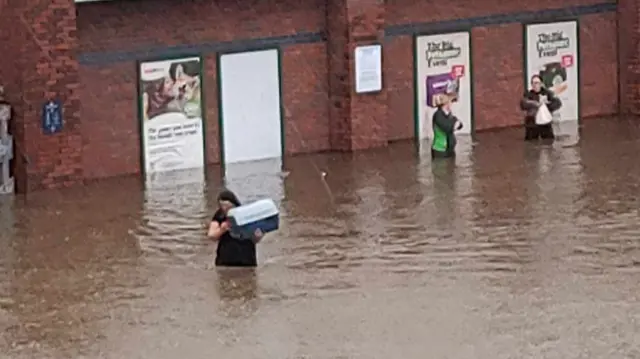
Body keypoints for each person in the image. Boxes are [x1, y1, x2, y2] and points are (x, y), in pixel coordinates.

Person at [207, 189, 264, 267]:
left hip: (247, 261)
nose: (225, 209)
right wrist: (222, 230)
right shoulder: (219, 215)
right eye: (222, 206)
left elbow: (256, 238)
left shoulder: (246, 214)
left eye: (227, 207)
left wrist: (258, 233)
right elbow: (211, 236)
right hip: (225, 261)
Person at [520, 74, 562, 141]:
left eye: (536, 83)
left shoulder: (548, 93)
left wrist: (546, 105)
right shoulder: (528, 94)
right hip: (532, 124)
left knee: (548, 142)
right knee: (531, 144)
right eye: (532, 83)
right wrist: (536, 104)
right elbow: (523, 104)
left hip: (545, 123)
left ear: (541, 83)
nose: (534, 85)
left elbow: (558, 103)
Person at [431, 93, 463, 158]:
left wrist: (455, 125)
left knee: (451, 167)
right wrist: (454, 125)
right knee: (441, 167)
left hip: (450, 149)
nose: (451, 104)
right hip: (440, 150)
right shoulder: (438, 115)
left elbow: (460, 124)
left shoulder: (449, 114)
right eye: (450, 102)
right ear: (446, 104)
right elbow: (447, 128)